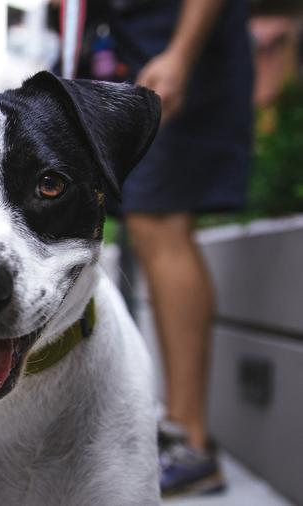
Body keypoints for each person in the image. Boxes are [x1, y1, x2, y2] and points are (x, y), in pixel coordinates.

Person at [105, 0, 254, 499]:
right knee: (148, 223)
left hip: (174, 49)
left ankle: (190, 442)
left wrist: (182, 54)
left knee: (160, 219)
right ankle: (176, 432)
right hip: (141, 46)